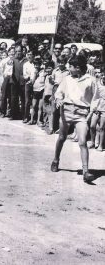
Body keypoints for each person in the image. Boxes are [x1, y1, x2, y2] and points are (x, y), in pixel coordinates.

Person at [51, 55, 97, 183]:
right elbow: (59, 93)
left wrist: (91, 112)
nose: (68, 68)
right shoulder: (67, 79)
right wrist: (59, 99)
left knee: (82, 142)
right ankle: (56, 160)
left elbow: (95, 97)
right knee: (62, 137)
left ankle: (86, 171)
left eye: (70, 66)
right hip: (67, 111)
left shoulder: (91, 80)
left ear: (78, 67)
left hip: (82, 113)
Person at [88, 70, 105, 151]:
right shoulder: (98, 83)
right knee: (92, 125)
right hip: (98, 106)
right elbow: (95, 96)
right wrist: (94, 106)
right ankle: (92, 142)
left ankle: (101, 145)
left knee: (102, 127)